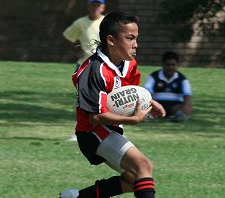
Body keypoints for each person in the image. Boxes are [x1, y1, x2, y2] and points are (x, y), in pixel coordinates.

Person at [60, 12, 166, 198]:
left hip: (109, 129)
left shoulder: (129, 64)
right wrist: (131, 120)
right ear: (111, 40)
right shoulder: (95, 70)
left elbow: (129, 93)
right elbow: (95, 116)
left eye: (136, 38)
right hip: (92, 132)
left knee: (134, 179)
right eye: (130, 38)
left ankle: (78, 197)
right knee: (143, 166)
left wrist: (150, 102)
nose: (136, 44)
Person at [143, 51, 193, 122]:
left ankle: (177, 117)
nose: (170, 67)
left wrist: (187, 108)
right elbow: (147, 93)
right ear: (163, 64)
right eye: (167, 65)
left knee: (186, 108)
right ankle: (152, 116)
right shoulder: (153, 77)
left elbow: (187, 96)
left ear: (177, 65)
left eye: (173, 65)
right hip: (157, 105)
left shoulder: (182, 79)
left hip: (175, 106)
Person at [63, 0, 106, 65]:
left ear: (103, 8)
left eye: (98, 6)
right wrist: (76, 52)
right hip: (84, 63)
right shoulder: (80, 23)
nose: (95, 8)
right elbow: (67, 37)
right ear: (88, 7)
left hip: (103, 63)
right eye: (93, 5)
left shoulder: (107, 22)